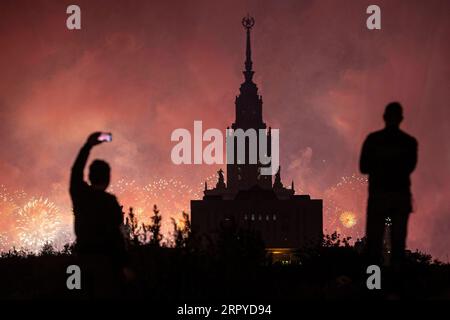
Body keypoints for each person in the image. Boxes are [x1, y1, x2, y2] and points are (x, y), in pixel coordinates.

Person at [70, 132, 129, 297]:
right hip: (105, 264)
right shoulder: (110, 202)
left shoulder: (80, 195)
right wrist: (125, 265)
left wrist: (88, 145)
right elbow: (118, 236)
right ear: (108, 178)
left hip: (80, 261)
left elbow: (75, 171)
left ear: (89, 176)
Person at [360, 102, 418, 269]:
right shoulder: (409, 142)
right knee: (398, 246)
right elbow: (409, 167)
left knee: (374, 247)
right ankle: (395, 289)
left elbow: (363, 167)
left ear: (384, 117)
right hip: (400, 198)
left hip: (378, 198)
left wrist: (380, 165)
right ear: (401, 119)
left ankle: (374, 288)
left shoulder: (373, 140)